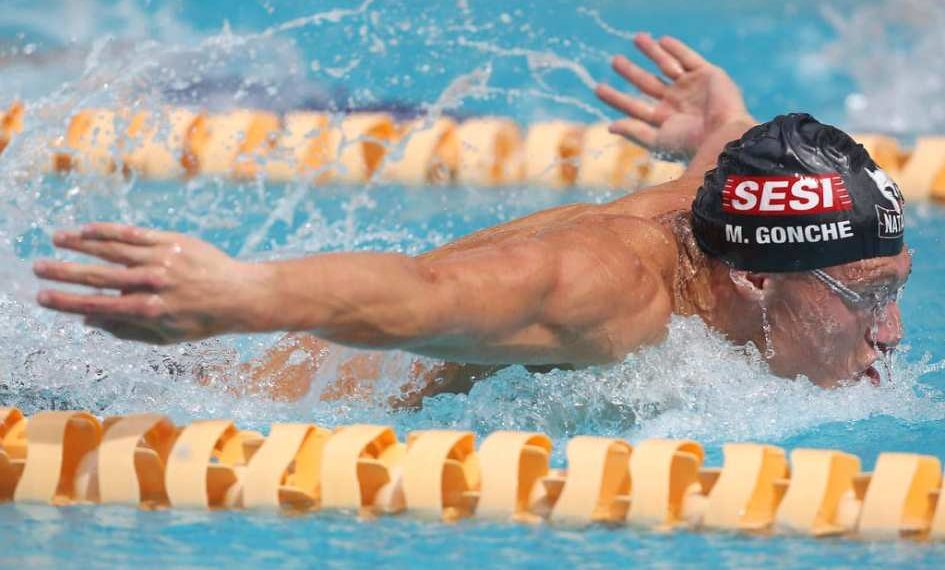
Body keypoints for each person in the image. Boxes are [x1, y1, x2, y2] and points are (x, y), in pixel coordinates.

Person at [32, 34, 910, 406]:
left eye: (893, 287)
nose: (890, 331)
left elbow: (723, 165)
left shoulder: (721, 214)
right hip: (218, 398)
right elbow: (423, 293)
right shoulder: (610, 291)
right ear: (754, 276)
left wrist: (721, 121)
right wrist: (241, 295)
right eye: (865, 295)